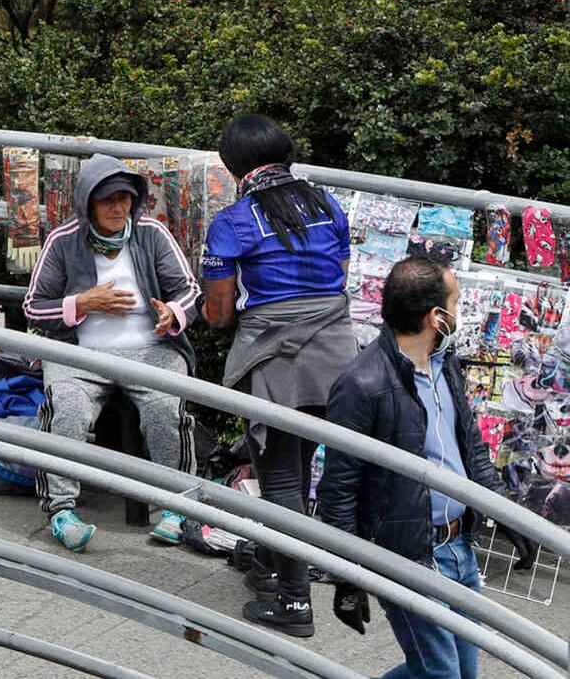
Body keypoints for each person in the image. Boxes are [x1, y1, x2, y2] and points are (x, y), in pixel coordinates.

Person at [319, 257, 536, 678]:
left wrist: (506, 515)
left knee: (457, 674)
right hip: (408, 555)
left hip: (458, 548)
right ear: (437, 317)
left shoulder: (445, 363)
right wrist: (347, 576)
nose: (460, 310)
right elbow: (338, 487)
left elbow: (469, 446)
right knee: (441, 675)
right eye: (456, 302)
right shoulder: (362, 383)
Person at [200, 114, 357, 638]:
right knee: (301, 464)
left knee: (281, 478)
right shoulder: (328, 206)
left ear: (233, 166)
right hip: (336, 353)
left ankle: (293, 600)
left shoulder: (233, 221)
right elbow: (338, 278)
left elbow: (219, 313)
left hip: (274, 357)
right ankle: (272, 560)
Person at [23, 153, 201, 552]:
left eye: (124, 198)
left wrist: (172, 314)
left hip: (152, 349)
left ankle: (179, 508)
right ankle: (60, 511)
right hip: (81, 356)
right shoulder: (63, 240)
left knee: (165, 410)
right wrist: (81, 303)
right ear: (88, 203)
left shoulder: (152, 233)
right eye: (107, 200)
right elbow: (33, 307)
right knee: (66, 407)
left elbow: (189, 290)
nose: (118, 207)